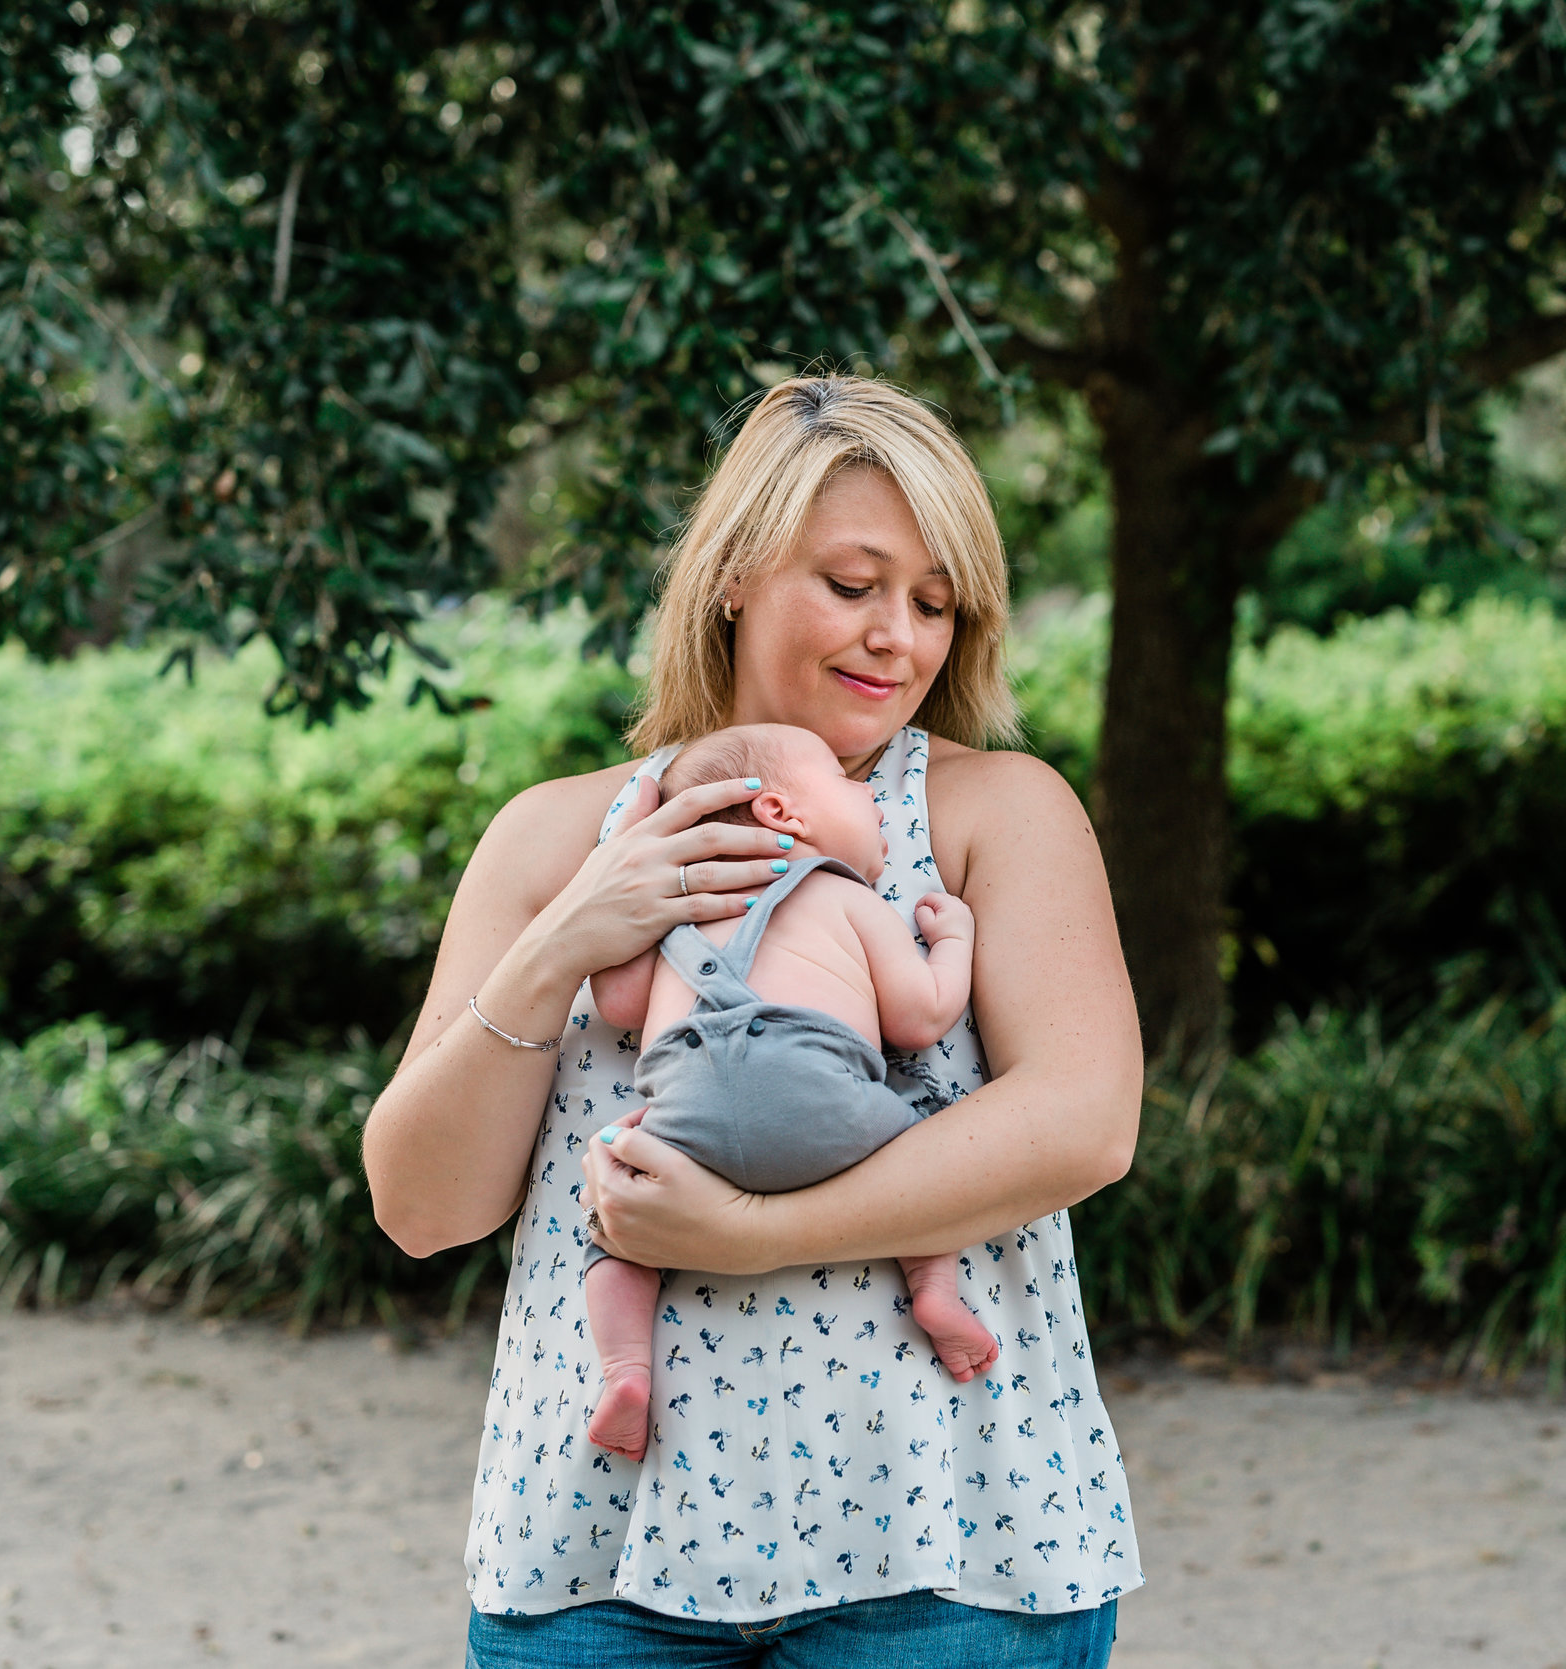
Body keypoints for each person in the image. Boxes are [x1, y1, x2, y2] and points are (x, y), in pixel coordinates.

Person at [361, 374, 1144, 1666]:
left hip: (944, 1559)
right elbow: (421, 1205)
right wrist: (568, 935)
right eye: (853, 584)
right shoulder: (554, 835)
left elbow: (1082, 1124)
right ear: (730, 574)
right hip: (596, 1562)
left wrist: (749, 1232)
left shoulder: (995, 811)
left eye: (936, 602)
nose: (898, 635)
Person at [578, 720, 1001, 1467]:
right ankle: (933, 1286)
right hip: (826, 1101)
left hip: (684, 1127)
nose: (871, 796)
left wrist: (626, 864)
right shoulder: (844, 893)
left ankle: (625, 1372)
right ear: (782, 813)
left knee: (614, 1229)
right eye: (848, 784)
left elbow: (616, 1002)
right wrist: (956, 938)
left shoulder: (675, 910)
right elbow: (922, 1017)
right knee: (930, 1140)